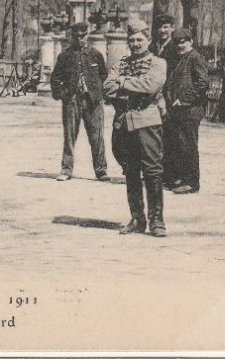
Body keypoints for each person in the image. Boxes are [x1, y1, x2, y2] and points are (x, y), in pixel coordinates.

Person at [104, 18, 168, 238]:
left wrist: (122, 83)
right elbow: (107, 88)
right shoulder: (121, 63)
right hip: (124, 124)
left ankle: (157, 221)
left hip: (148, 123)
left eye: (140, 39)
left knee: (152, 171)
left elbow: (151, 85)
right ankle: (137, 219)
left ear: (148, 40)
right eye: (131, 40)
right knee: (130, 173)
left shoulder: (158, 63)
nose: (135, 43)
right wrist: (128, 86)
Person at [50, 22, 108, 182]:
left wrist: (99, 94)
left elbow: (105, 76)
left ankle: (101, 170)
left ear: (87, 34)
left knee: (97, 136)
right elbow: (55, 78)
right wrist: (62, 94)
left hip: (92, 102)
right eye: (76, 36)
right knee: (69, 136)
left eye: (83, 35)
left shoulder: (96, 54)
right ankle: (66, 169)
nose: (80, 39)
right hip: (72, 101)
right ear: (72, 36)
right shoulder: (65, 56)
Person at [162, 28, 208, 195]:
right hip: (177, 110)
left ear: (191, 42)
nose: (180, 45)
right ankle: (180, 178)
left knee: (188, 146)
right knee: (178, 145)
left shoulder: (195, 58)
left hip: (190, 109)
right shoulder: (179, 59)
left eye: (183, 42)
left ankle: (192, 182)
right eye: (177, 42)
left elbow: (202, 83)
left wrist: (184, 99)